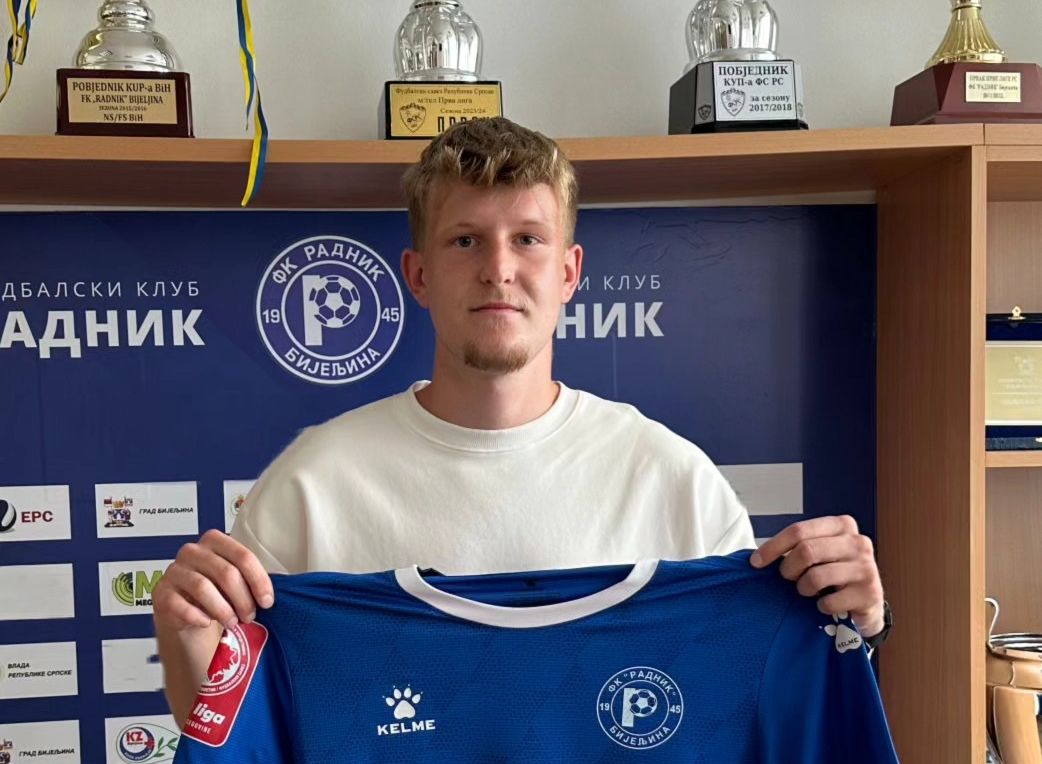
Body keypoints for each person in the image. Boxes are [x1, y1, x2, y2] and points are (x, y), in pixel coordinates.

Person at [153, 117, 887, 729]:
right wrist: (186, 637)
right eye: (465, 240)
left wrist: (848, 625)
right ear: (417, 275)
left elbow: (759, 704)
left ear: (569, 272)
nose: (497, 269)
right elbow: (234, 728)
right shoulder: (312, 484)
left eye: (528, 239)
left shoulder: (671, 478)